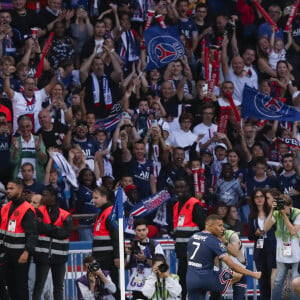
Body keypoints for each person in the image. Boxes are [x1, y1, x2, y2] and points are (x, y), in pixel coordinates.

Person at [186, 214, 261, 300]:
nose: (223, 228)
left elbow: (188, 258)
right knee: (238, 276)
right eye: (220, 225)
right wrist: (253, 274)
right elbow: (232, 266)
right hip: (207, 279)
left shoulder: (193, 237)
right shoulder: (214, 241)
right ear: (210, 226)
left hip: (191, 279)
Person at [0, 178, 38, 300]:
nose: (8, 191)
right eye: (7, 188)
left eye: (11, 188)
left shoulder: (27, 209)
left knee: (20, 287)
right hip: (6, 254)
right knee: (9, 286)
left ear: (20, 190)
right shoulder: (6, 207)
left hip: (20, 255)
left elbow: (32, 234)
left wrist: (27, 252)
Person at [33, 186, 72, 300]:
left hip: (60, 256)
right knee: (38, 286)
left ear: (53, 197)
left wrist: (45, 227)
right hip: (42, 255)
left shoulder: (65, 214)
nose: (42, 197)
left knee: (58, 287)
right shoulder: (37, 211)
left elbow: (64, 234)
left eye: (45, 195)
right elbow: (37, 227)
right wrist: (56, 229)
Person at [173, 176, 206, 299]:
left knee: (193, 284)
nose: (179, 189)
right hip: (182, 253)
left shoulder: (194, 205)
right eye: (177, 187)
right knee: (182, 283)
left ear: (188, 188)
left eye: (182, 186)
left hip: (193, 253)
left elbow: (204, 228)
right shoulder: (176, 205)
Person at [264, 194, 300, 300]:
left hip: (297, 252)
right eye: (281, 205)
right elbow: (265, 228)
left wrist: (284, 215)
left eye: (284, 205)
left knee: (295, 281)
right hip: (282, 252)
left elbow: (293, 231)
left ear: (290, 205)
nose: (282, 208)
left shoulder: (297, 213)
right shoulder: (276, 213)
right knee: (277, 281)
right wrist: (272, 210)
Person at [125, 218, 164, 300]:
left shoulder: (155, 245)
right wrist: (126, 254)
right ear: (134, 231)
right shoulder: (131, 246)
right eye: (139, 230)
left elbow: (160, 265)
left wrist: (144, 259)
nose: (142, 233)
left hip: (151, 286)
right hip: (136, 287)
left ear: (147, 230)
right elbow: (124, 266)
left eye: (143, 230)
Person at [92, 186, 119, 296]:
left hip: (109, 258)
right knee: (105, 289)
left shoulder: (110, 213)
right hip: (101, 258)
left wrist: (117, 256)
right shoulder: (101, 213)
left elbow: (116, 237)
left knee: (113, 288)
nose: (93, 200)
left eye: (96, 198)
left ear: (105, 198)